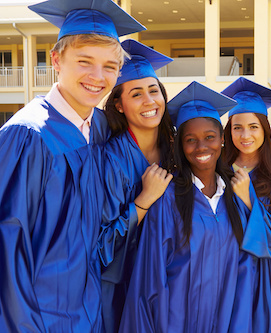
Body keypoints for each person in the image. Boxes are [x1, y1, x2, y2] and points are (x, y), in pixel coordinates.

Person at [0, 1, 144, 331]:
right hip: (41, 317)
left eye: (110, 66)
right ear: (56, 60)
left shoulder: (100, 129)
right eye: (84, 62)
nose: (98, 77)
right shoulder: (27, 137)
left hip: (90, 309)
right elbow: (7, 247)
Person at [119, 81, 254, 332]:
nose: (201, 147)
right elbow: (149, 278)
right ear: (180, 145)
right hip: (175, 323)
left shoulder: (236, 197)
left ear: (222, 139)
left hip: (226, 323)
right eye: (190, 139)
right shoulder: (167, 200)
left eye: (210, 137)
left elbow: (245, 275)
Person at [98, 40, 175, 333]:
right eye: (136, 94)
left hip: (166, 276)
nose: (149, 101)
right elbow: (102, 244)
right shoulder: (111, 159)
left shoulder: (175, 149)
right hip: (121, 282)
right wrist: (144, 200)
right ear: (119, 104)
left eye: (153, 91)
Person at [221, 76, 271, 332]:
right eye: (237, 127)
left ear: (265, 129)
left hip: (262, 276)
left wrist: (248, 199)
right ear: (228, 130)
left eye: (254, 127)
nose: (245, 135)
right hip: (222, 270)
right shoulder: (217, 171)